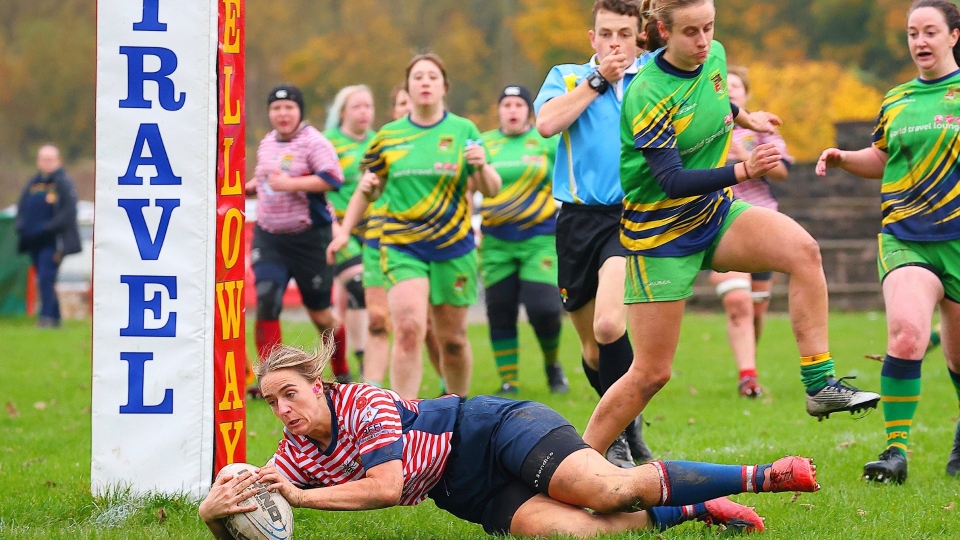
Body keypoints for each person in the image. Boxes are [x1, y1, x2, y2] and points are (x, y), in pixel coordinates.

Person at [579, 0, 881, 457]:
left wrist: (747, 118)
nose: (703, 41)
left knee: (803, 251)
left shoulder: (714, 55)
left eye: (709, 28)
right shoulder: (647, 92)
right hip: (660, 236)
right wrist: (742, 170)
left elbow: (716, 95)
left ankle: (820, 385)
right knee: (650, 374)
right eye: (690, 32)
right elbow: (671, 180)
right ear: (663, 31)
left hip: (714, 215)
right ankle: (575, 465)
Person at [198, 341, 822, 538]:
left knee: (607, 490)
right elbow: (247, 480)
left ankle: (764, 474)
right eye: (271, 401)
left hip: (494, 430)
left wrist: (298, 500)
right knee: (582, 533)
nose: (283, 409)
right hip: (463, 491)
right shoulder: (296, 452)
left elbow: (387, 488)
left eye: (290, 394)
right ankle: (693, 507)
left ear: (318, 383)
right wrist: (216, 504)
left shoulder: (362, 401)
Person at [816, 0, 960, 483]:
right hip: (906, 237)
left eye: (930, 32)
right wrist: (842, 159)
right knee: (905, 332)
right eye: (912, 33)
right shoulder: (896, 99)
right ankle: (895, 452)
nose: (920, 41)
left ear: (953, 37)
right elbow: (880, 158)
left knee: (958, 356)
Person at [328, 53, 502, 399]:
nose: (425, 82)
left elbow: (492, 188)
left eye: (432, 77)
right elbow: (368, 188)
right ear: (407, 87)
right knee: (408, 330)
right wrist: (346, 229)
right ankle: (403, 423)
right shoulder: (389, 136)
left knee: (452, 341)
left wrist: (481, 167)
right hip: (402, 245)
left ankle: (458, 412)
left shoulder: (464, 130)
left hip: (453, 247)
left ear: (444, 87)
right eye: (418, 77)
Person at [534, 0, 654, 467]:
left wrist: (745, 119)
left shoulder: (653, 76)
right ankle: (628, 423)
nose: (615, 44)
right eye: (606, 34)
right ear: (592, 38)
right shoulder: (567, 76)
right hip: (576, 221)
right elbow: (546, 124)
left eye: (624, 34)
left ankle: (617, 436)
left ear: (639, 36)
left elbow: (707, 102)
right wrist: (598, 79)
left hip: (630, 218)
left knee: (609, 324)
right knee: (590, 345)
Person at [245, 84, 345, 386]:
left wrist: (292, 184)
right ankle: (269, 378)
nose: (282, 113)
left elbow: (333, 179)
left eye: (289, 107)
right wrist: (250, 186)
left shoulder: (314, 142)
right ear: (269, 113)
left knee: (320, 314)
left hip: (309, 238)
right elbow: (265, 177)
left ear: (299, 111)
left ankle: (342, 373)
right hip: (270, 235)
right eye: (276, 108)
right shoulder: (266, 143)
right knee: (266, 299)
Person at [707, 65, 794, 399]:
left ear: (746, 94)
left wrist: (746, 157)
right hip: (717, 221)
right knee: (739, 301)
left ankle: (749, 370)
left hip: (759, 222)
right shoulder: (704, 126)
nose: (728, 91)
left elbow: (785, 170)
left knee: (756, 310)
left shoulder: (759, 128)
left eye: (735, 86)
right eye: (723, 86)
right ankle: (748, 378)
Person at [479, 85, 569, 395]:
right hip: (495, 241)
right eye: (506, 105)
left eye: (519, 104)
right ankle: (509, 381)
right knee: (500, 309)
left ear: (528, 111)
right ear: (499, 110)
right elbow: (468, 182)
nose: (512, 110)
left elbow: (571, 175)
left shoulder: (546, 141)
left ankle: (552, 365)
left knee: (543, 308)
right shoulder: (485, 143)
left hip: (538, 238)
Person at [357, 84, 446, 390]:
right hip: (379, 241)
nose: (408, 108)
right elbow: (361, 190)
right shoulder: (384, 145)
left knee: (430, 327)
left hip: (420, 244)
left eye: (411, 103)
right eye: (401, 103)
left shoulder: (436, 144)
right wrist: (343, 232)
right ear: (393, 110)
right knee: (378, 320)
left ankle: (449, 385)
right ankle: (372, 393)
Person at [324, 85, 376, 378]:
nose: (364, 112)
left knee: (347, 301)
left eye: (368, 106)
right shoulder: (328, 142)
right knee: (358, 285)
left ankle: (351, 366)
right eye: (357, 106)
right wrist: (334, 227)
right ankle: (355, 362)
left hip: (370, 230)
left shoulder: (378, 142)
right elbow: (318, 188)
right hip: (336, 228)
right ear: (342, 111)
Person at [15, 144, 81, 328]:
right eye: (43, 159)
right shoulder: (34, 183)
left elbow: (68, 212)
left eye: (50, 159)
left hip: (53, 240)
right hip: (33, 241)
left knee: (46, 276)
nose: (46, 163)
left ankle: (46, 318)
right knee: (44, 277)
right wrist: (21, 225)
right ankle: (55, 318)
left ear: (58, 160)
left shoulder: (63, 182)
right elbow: (22, 207)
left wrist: (47, 228)